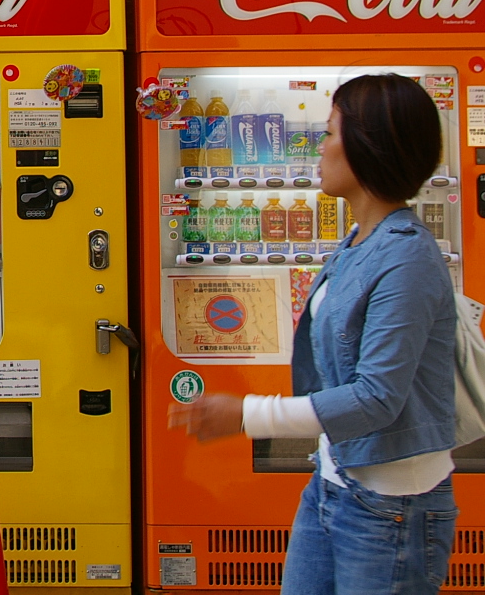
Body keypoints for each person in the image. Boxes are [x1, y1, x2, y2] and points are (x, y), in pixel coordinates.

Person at [171, 73, 457, 595]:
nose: (319, 149)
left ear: (368, 147)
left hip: (393, 506)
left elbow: (377, 398)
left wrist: (248, 414)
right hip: (333, 485)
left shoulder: (407, 257)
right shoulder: (358, 241)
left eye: (329, 134)